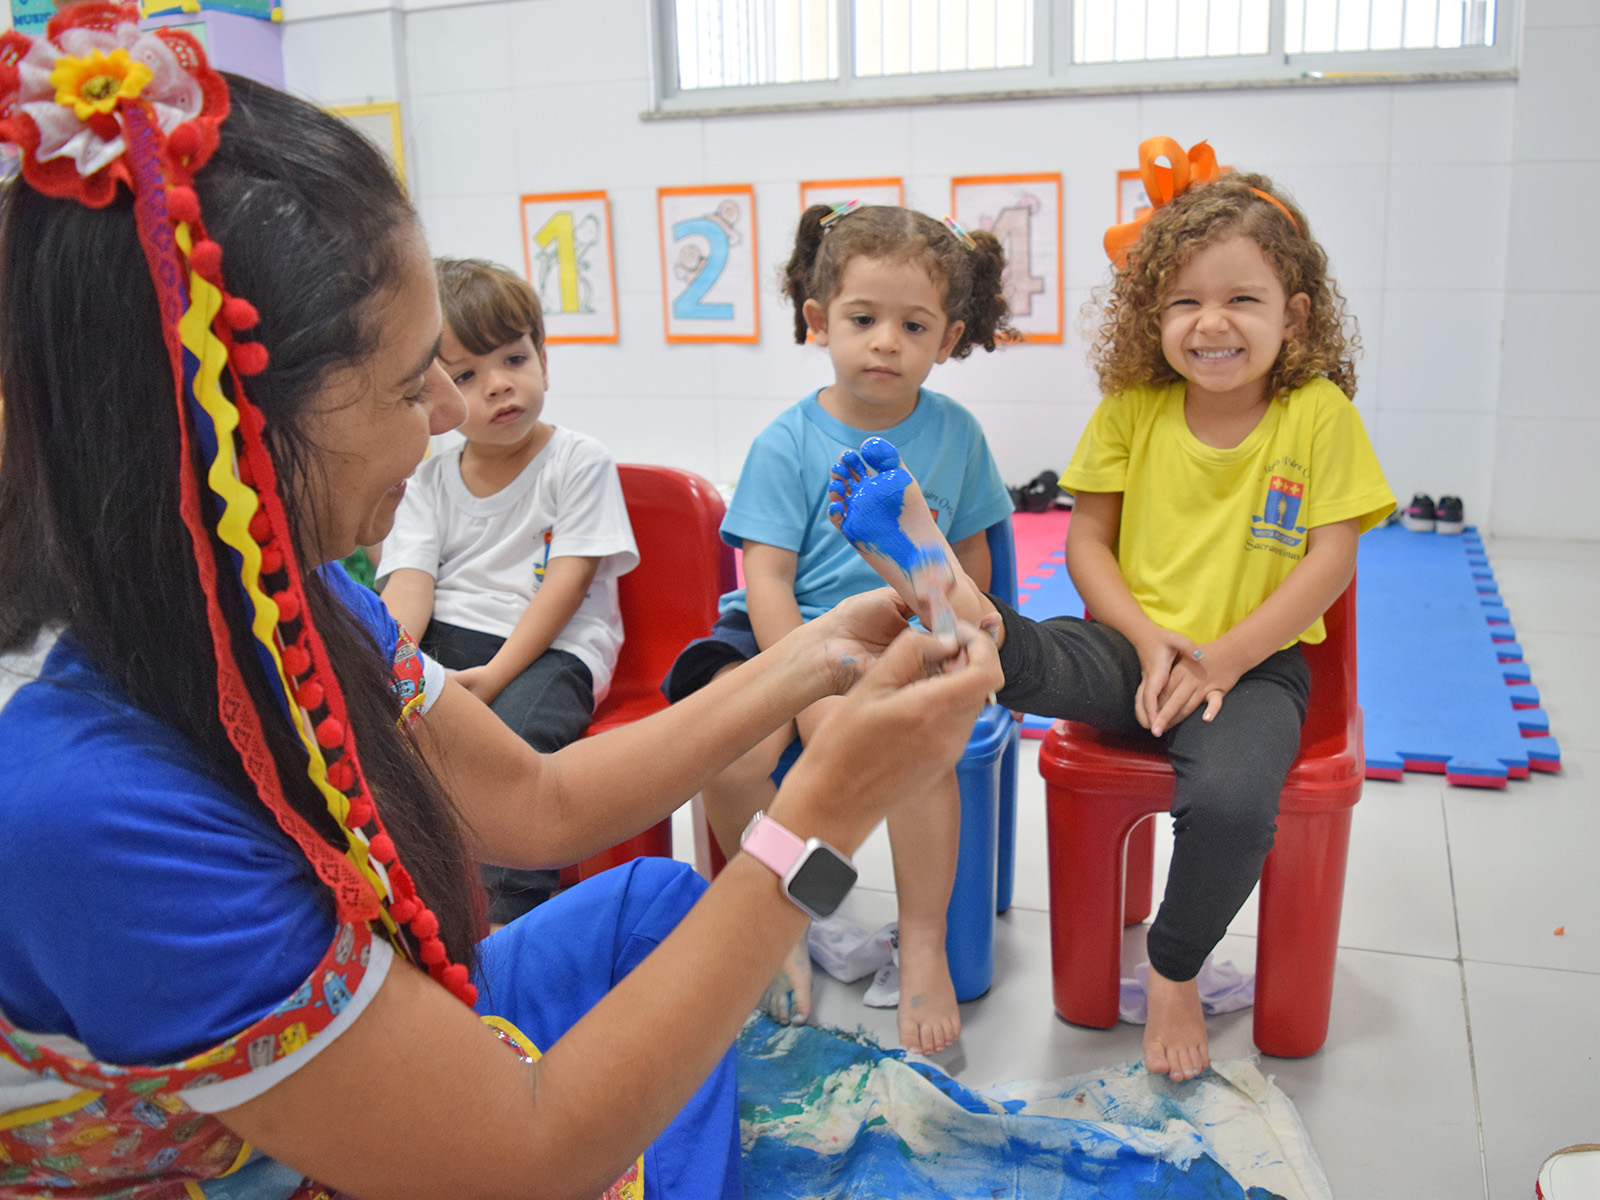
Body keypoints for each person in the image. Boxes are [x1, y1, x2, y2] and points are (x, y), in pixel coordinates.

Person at [0, 12, 1002, 1198]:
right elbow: (516, 1161)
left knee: (658, 905)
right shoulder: (86, 814)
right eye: (408, 383)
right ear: (225, 430)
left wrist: (820, 658)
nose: (447, 413)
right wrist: (823, 817)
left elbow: (539, 801)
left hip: (404, 1064)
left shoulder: (296, 608)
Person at [829, 141, 1395, 1083]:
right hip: (1133, 644)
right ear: (1152, 314)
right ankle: (957, 602)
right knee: (1031, 657)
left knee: (1232, 806)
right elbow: (1087, 545)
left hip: (1253, 668)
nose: (1211, 323)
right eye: (1184, 301)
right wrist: (1146, 636)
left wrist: (1220, 658)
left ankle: (1173, 970)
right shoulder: (1134, 405)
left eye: (1242, 299)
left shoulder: (1318, 414)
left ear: (1294, 315)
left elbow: (1332, 559)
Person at [662, 203, 1016, 1055]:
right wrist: (810, 684)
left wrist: (959, 630)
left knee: (920, 754)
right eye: (863, 320)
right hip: (780, 633)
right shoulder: (786, 443)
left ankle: (922, 939)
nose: (886, 343)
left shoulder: (957, 435)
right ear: (819, 321)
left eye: (913, 326)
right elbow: (766, 581)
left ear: (948, 337)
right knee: (732, 755)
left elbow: (969, 564)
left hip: (905, 626)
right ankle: (779, 920)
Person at [379, 257, 638, 924]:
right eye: (466, 375)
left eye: (514, 359)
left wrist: (494, 677)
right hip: (452, 639)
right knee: (386, 746)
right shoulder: (428, 480)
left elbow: (567, 585)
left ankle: (510, 920)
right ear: (432, 392)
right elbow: (410, 584)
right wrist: (391, 664)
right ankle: (407, 905)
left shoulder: (577, 461)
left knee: (514, 757)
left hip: (553, 649)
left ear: (543, 362)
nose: (499, 385)